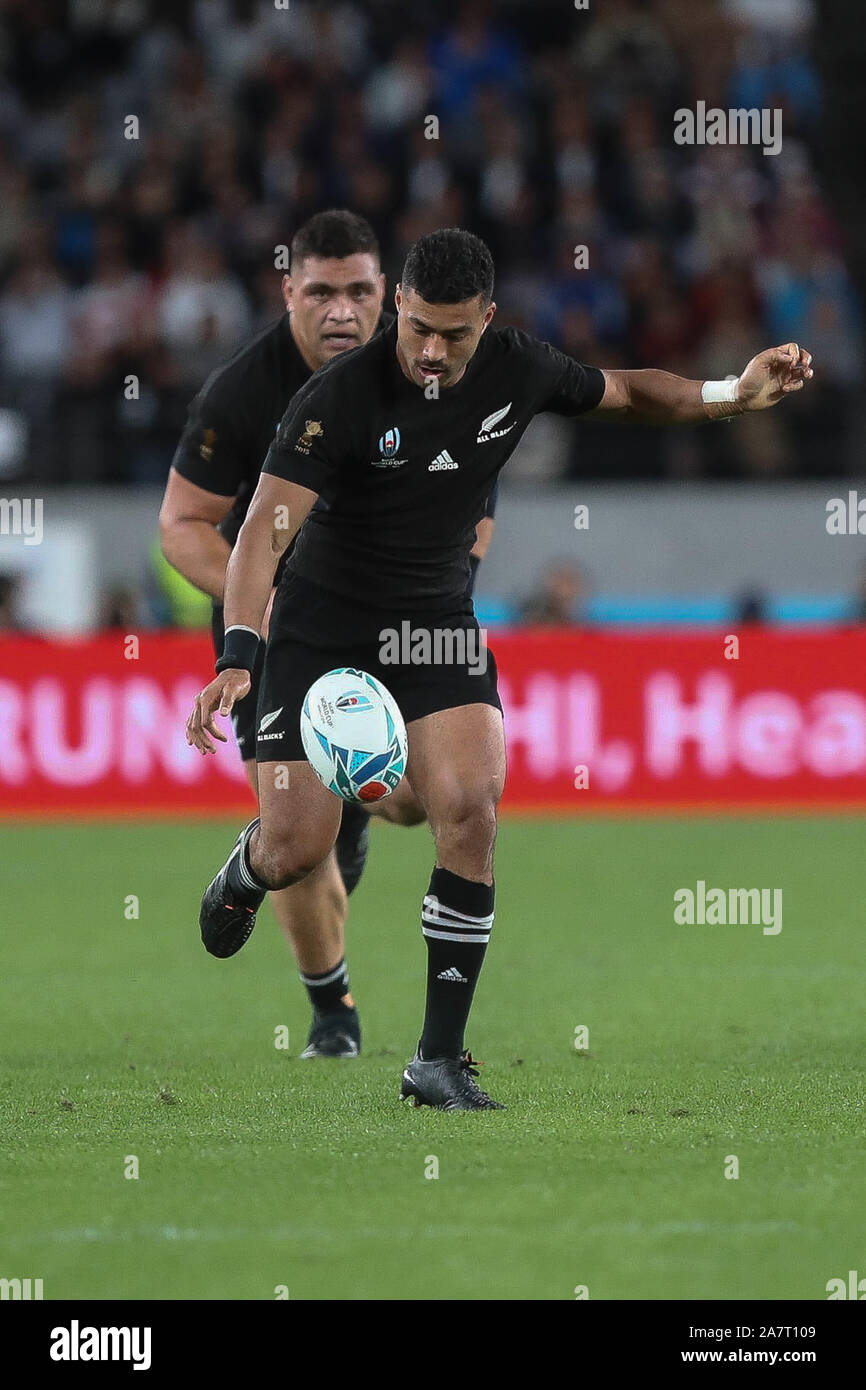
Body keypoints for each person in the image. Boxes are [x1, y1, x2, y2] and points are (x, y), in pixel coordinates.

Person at [187, 227, 813, 1110]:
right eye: (418, 331)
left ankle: (437, 1061)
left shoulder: (518, 367)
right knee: (300, 846)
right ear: (397, 307)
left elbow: (629, 391)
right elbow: (261, 534)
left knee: (471, 810)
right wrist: (240, 655)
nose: (434, 353)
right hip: (320, 630)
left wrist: (731, 394)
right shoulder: (336, 399)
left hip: (436, 622)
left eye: (456, 334)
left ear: (488, 319)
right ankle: (246, 872)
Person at [160, 210, 498, 1060]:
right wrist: (262, 608)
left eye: (358, 290)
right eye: (320, 292)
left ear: (387, 292)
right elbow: (184, 525)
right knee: (298, 850)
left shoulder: (424, 365)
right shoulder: (242, 390)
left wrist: (440, 595)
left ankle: (354, 796)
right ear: (288, 293)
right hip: (280, 626)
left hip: (403, 614)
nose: (342, 309)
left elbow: (474, 512)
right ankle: (332, 1014)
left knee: (429, 805)